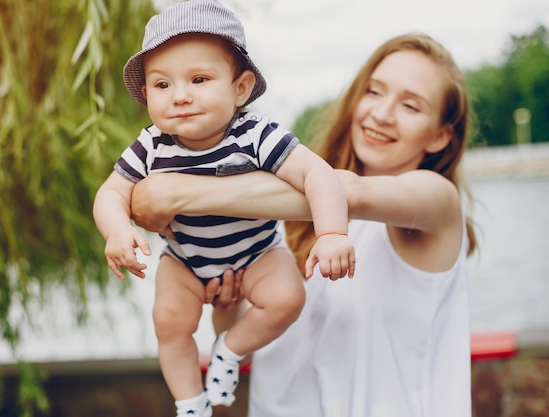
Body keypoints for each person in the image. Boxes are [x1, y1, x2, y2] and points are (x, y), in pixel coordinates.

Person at [130, 32, 479, 417]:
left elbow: (348, 189)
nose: (381, 114)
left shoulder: (436, 202)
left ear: (440, 135)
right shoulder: (296, 222)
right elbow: (252, 335)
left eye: (411, 106)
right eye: (374, 92)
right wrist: (225, 302)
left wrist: (176, 190)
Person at [92, 1, 355, 416]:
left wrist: (332, 233)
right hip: (186, 261)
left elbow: (316, 174)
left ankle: (229, 350)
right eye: (162, 85)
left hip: (257, 255)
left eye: (198, 79)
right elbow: (111, 192)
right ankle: (190, 403)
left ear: (240, 88)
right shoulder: (151, 145)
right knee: (168, 320)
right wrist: (117, 230)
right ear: (146, 96)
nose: (180, 96)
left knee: (288, 298)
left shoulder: (255, 134)